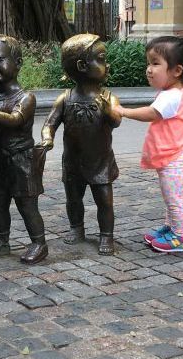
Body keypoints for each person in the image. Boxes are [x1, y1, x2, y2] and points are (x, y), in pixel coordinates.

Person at [114, 36, 183, 253]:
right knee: (171, 198)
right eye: (148, 63)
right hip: (173, 159)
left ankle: (182, 237)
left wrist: (124, 111)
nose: (149, 69)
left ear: (177, 70)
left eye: (155, 63)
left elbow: (152, 113)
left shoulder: (172, 95)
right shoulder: (175, 92)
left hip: (176, 162)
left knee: (175, 201)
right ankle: (172, 228)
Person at [41, 34, 122, 256]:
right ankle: (77, 228)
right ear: (81, 66)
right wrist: (48, 138)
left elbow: (116, 121)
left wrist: (108, 111)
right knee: (73, 199)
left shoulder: (108, 97)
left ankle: (107, 234)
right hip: (73, 161)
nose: (107, 64)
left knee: (105, 201)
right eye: (102, 59)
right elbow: (50, 123)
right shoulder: (65, 99)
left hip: (100, 161)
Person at [0, 35, 47, 265]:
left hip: (20, 161)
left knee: (26, 204)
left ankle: (39, 242)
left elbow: (15, 120)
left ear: (18, 62)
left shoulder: (25, 98)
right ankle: (2, 240)